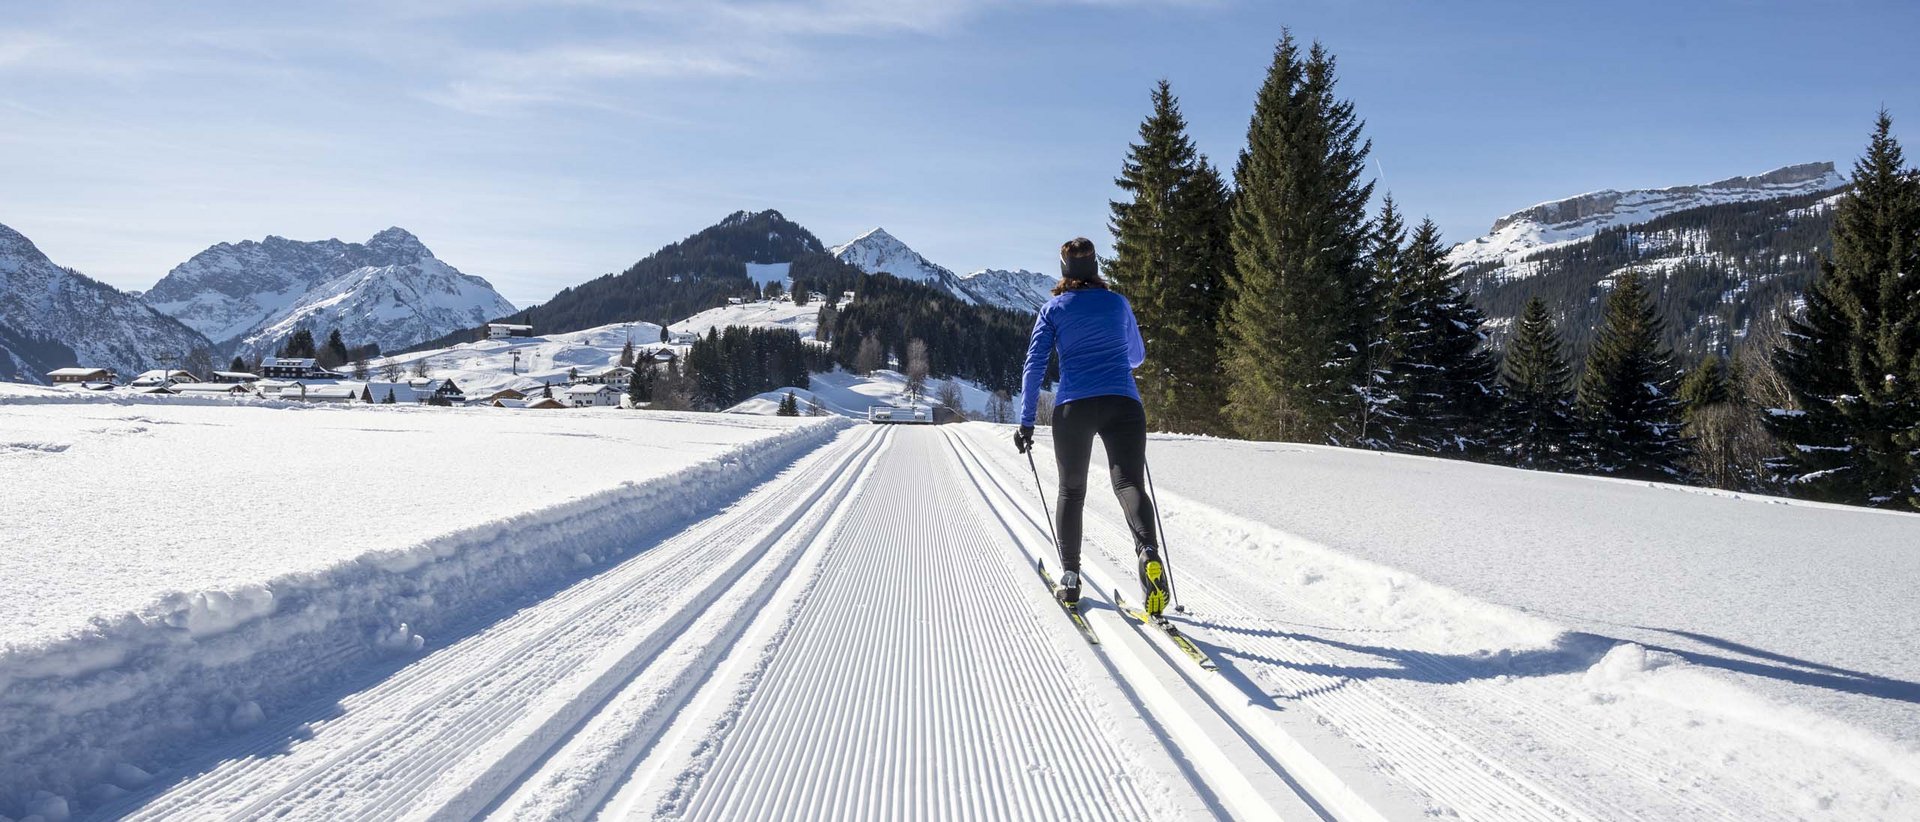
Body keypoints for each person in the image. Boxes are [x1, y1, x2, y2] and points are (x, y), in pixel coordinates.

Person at [1013, 238, 1167, 616]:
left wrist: (1027, 420)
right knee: (1129, 483)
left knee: (1072, 490)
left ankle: (1070, 577)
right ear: (1095, 267)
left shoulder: (1052, 309)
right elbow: (1137, 356)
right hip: (1124, 403)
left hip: (1074, 407)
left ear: (1063, 268)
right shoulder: (1117, 302)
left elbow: (1033, 367)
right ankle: (1148, 552)